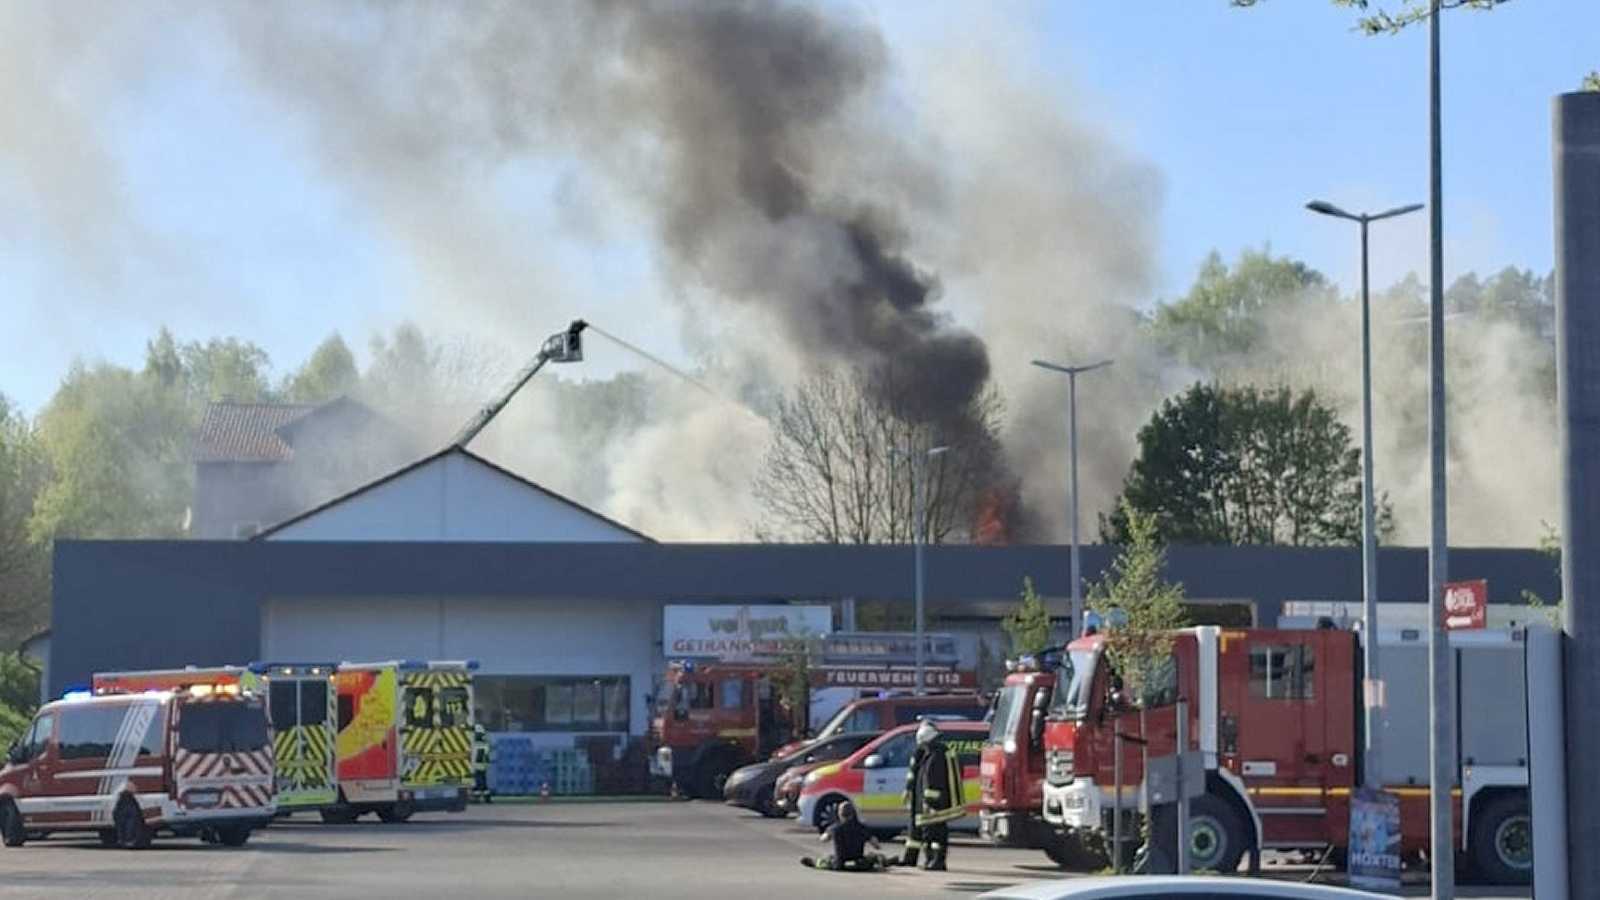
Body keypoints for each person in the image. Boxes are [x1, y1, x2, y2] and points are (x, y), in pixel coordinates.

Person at [901, 719, 964, 871]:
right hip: (926, 802)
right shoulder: (928, 754)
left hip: (935, 803)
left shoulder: (937, 755)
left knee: (936, 833)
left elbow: (933, 780)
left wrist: (929, 800)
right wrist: (910, 790)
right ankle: (927, 859)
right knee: (927, 832)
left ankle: (937, 861)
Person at [800, 801, 888, 871]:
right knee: (873, 856)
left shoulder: (835, 828)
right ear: (853, 813)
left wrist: (827, 833)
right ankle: (887, 862)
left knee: (827, 859)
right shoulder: (862, 828)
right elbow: (876, 845)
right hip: (858, 863)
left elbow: (823, 839)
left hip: (840, 863)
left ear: (840, 814)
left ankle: (814, 863)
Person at [471, 723, 492, 804]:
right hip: (483, 765)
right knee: (483, 782)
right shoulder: (485, 743)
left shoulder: (475, 743)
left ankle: (477, 798)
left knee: (478, 782)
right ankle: (487, 798)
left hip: (477, 765)